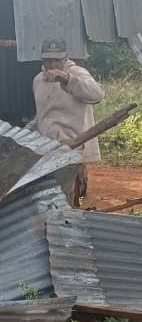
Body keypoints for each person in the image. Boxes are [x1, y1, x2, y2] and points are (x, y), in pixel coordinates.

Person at [27, 38, 105, 206]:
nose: (53, 64)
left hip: (73, 149)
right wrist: (27, 131)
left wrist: (67, 79)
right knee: (47, 198)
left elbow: (97, 95)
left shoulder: (78, 73)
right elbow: (42, 115)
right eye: (48, 60)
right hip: (47, 150)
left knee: (68, 198)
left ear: (66, 58)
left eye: (58, 59)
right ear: (42, 60)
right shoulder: (38, 80)